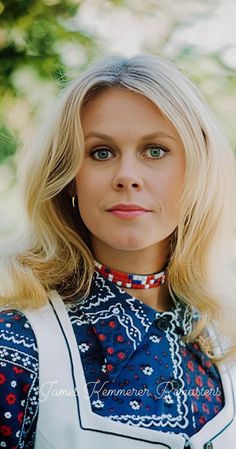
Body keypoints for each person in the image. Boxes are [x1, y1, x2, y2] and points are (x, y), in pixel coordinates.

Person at [0, 54, 236, 449]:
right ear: (69, 178)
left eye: (155, 151)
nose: (127, 176)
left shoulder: (224, 339)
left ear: (197, 171)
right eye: (101, 153)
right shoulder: (15, 346)